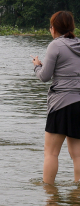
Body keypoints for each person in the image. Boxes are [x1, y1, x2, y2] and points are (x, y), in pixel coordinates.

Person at [33, 11, 80, 184]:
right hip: (78, 103)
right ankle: (77, 195)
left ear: (54, 28)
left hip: (60, 104)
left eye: (50, 26)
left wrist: (37, 66)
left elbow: (45, 77)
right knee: (77, 154)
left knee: (51, 152)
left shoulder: (55, 45)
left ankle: (50, 193)